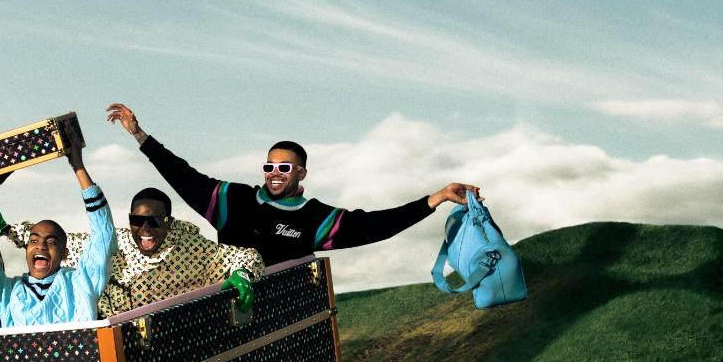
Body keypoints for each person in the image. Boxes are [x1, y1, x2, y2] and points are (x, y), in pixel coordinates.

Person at [106, 103, 480, 267]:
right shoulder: (231, 199)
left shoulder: (315, 217)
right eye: (270, 165)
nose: (275, 172)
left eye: (285, 166)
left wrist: (435, 198)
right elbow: (182, 174)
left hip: (282, 320)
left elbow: (375, 226)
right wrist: (139, 134)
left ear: (301, 173)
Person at [2, 188, 266, 316]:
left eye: (155, 221)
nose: (145, 229)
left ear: (169, 222)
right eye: (137, 221)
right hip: (108, 328)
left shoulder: (191, 248)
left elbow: (247, 256)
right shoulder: (119, 242)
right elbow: (55, 240)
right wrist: (4, 228)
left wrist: (243, 274)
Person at [0, 146, 115, 327]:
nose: (41, 246)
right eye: (34, 240)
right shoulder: (8, 293)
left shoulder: (80, 283)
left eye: (51, 242)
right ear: (27, 249)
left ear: (64, 253)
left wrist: (78, 166)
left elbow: (103, 236)